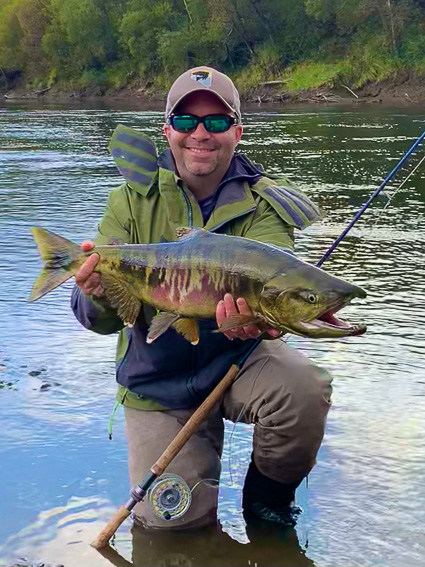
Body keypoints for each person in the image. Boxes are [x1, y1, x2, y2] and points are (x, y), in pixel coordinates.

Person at [71, 66, 332, 530]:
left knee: (303, 388)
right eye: (187, 121)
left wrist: (261, 322)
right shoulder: (131, 201)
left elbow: (280, 296)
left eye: (215, 122)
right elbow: (99, 321)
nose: (200, 134)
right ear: (167, 128)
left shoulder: (267, 205)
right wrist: (95, 294)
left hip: (238, 358)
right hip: (157, 377)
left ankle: (266, 506)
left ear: (237, 131)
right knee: (170, 533)